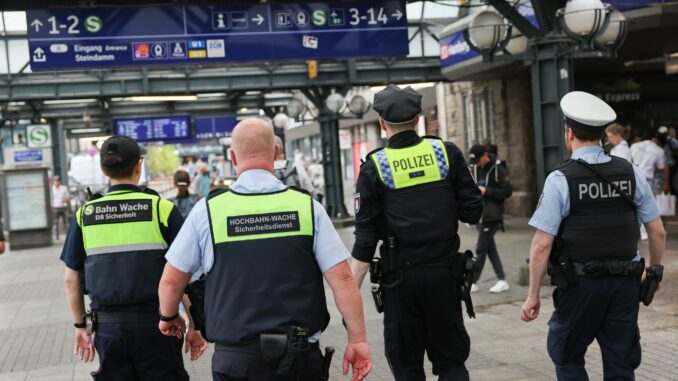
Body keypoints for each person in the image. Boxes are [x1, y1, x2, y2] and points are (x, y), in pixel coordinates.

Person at [157, 118, 372, 381]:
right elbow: (342, 278)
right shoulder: (307, 207)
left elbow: (171, 281)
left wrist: (168, 316)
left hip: (235, 362)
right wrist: (357, 339)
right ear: (277, 153)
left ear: (232, 157)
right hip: (299, 360)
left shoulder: (208, 211)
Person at [520, 91, 666, 380]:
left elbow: (541, 245)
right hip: (624, 284)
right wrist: (652, 272)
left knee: (567, 354)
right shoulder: (631, 172)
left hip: (579, 286)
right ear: (602, 135)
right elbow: (658, 231)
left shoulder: (561, 179)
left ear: (569, 133)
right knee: (621, 362)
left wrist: (532, 296)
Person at [350, 84, 482, 380]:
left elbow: (365, 241)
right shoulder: (445, 152)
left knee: (407, 366)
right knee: (451, 363)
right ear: (419, 117)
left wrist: (349, 295)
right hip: (445, 276)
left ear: (382, 124)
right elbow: (473, 211)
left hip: (400, 282)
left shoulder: (374, 167)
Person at [60, 136, 206, 380]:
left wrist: (79, 327)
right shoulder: (162, 209)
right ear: (138, 166)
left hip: (107, 330)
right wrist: (196, 324)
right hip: (160, 327)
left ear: (103, 169)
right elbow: (184, 274)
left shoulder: (85, 215)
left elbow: (71, 279)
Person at [468, 144, 512, 293]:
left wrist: (487, 191)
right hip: (480, 214)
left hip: (492, 214)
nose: (477, 165)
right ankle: (502, 279)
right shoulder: (476, 168)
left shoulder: (498, 168)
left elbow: (507, 190)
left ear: (485, 156)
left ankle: (473, 281)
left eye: (479, 161)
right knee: (490, 249)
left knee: (480, 249)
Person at [51, 175, 70, 240]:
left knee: (65, 222)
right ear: (53, 182)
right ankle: (57, 236)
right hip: (55, 207)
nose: (57, 182)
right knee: (56, 222)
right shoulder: (52, 189)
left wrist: (66, 199)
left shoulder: (64, 188)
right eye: (56, 181)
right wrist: (52, 207)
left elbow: (68, 196)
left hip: (63, 207)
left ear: (60, 181)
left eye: (58, 181)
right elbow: (50, 199)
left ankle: (68, 235)